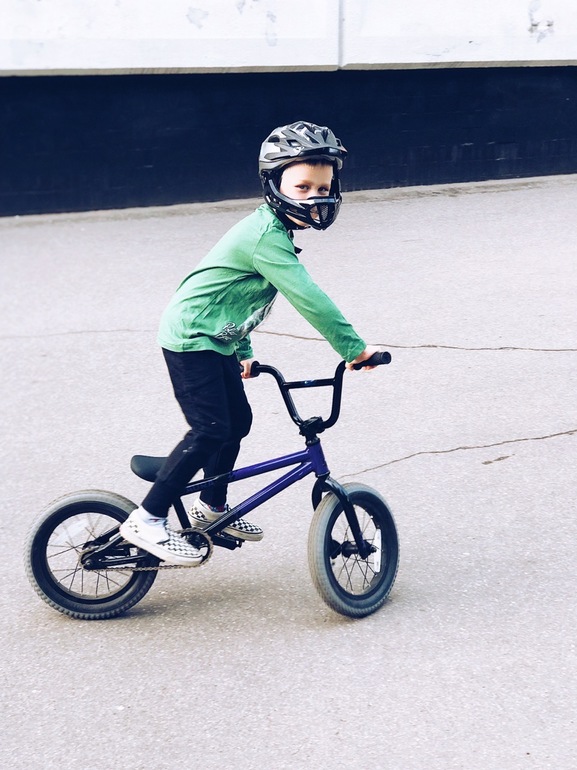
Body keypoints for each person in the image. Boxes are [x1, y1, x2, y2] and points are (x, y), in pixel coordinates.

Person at [119, 120, 379, 566]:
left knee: (237, 422)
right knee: (211, 429)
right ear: (275, 186)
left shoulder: (275, 232)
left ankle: (211, 509)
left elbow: (235, 299)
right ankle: (147, 518)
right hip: (191, 338)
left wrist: (243, 353)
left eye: (323, 188)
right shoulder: (265, 237)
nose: (315, 197)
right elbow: (309, 298)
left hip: (214, 338)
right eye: (303, 187)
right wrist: (353, 349)